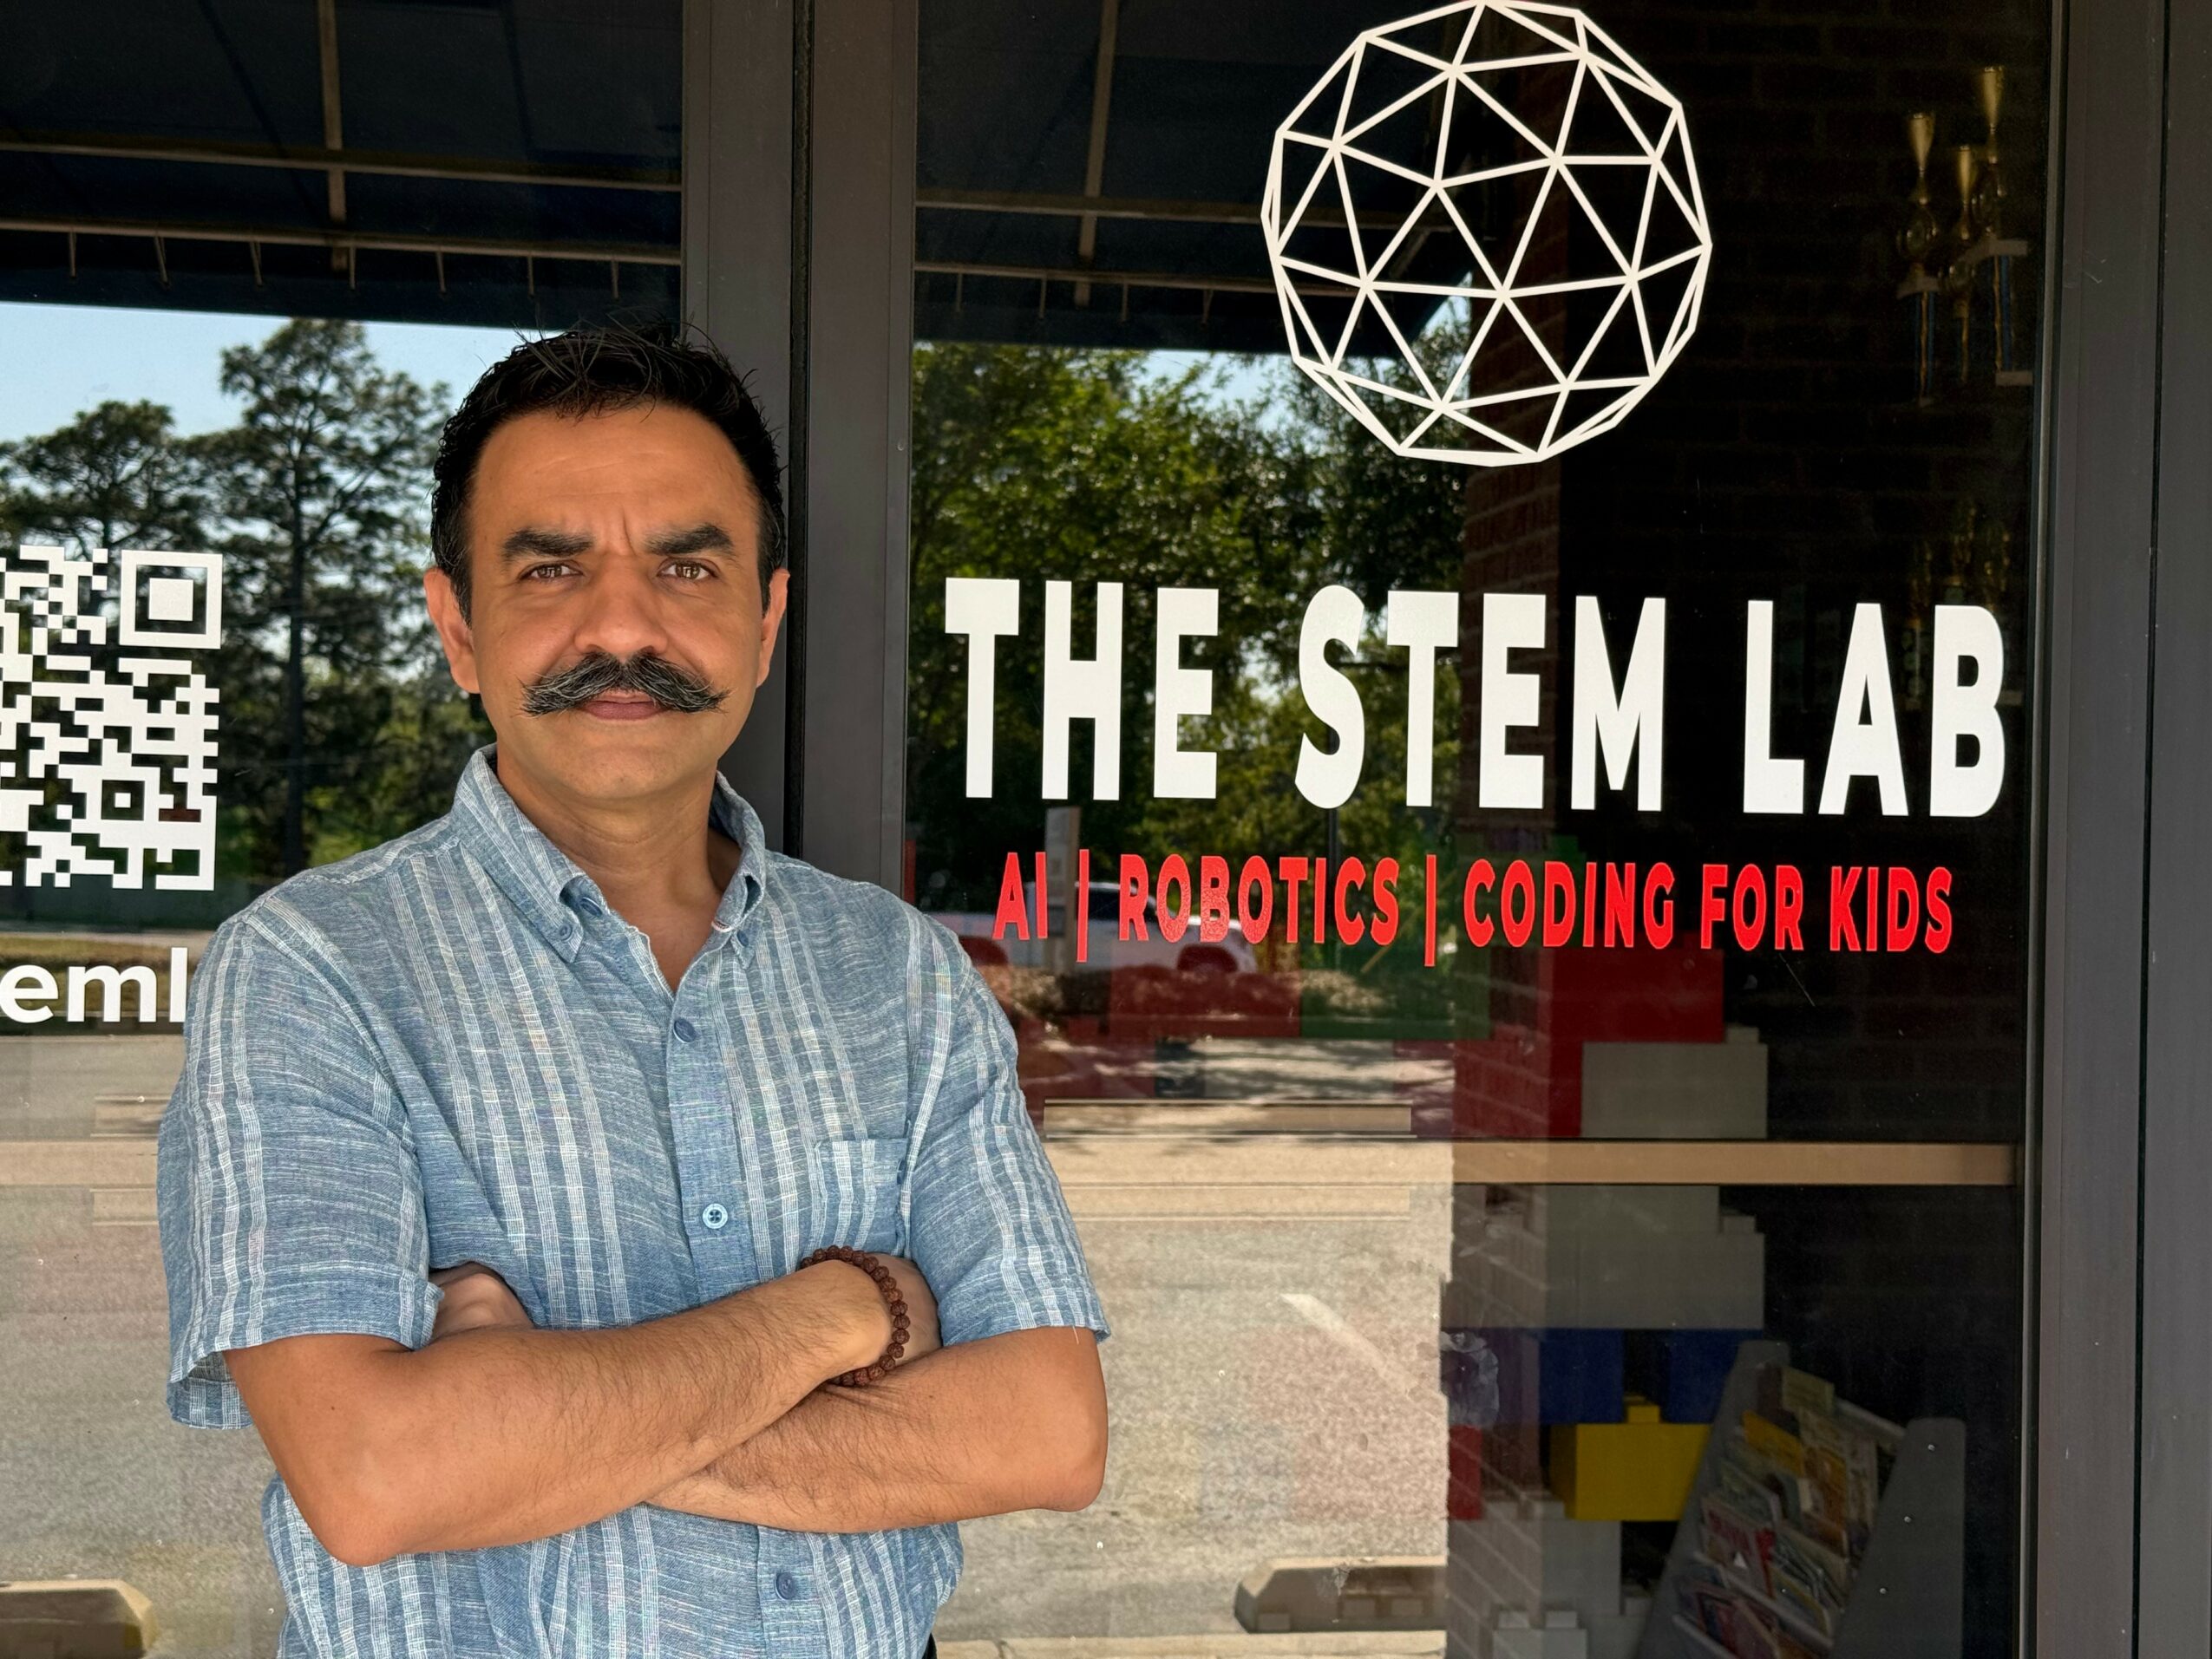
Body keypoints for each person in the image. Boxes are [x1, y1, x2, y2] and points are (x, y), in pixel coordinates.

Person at [155, 318, 1110, 1658]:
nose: (621, 624)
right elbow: (376, 1480)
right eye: (550, 567)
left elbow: (1048, 1430)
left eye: (687, 564)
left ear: (764, 621)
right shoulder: (315, 969)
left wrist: (522, 1410)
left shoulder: (895, 970)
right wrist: (843, 1311)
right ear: (458, 628)